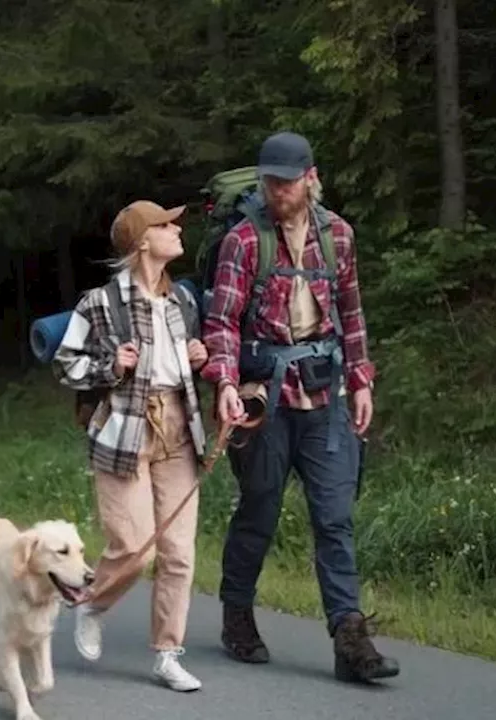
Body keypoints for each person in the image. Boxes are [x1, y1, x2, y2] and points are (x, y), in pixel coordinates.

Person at [200, 131, 401, 683]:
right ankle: (237, 615)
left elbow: (353, 313)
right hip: (265, 396)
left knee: (334, 518)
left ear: (310, 177)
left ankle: (350, 640)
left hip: (326, 397)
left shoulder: (339, 235)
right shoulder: (243, 241)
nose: (277, 191)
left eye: (286, 182)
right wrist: (223, 383)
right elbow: (220, 323)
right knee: (259, 511)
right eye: (270, 181)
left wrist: (361, 380)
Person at [50, 199, 210, 692]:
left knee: (179, 553)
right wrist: (110, 366)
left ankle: (167, 653)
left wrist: (196, 357)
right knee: (134, 548)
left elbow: (182, 366)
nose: (177, 229)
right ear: (144, 239)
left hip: (179, 430)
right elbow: (65, 364)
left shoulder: (181, 300)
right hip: (123, 433)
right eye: (167, 224)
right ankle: (93, 604)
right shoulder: (99, 303)